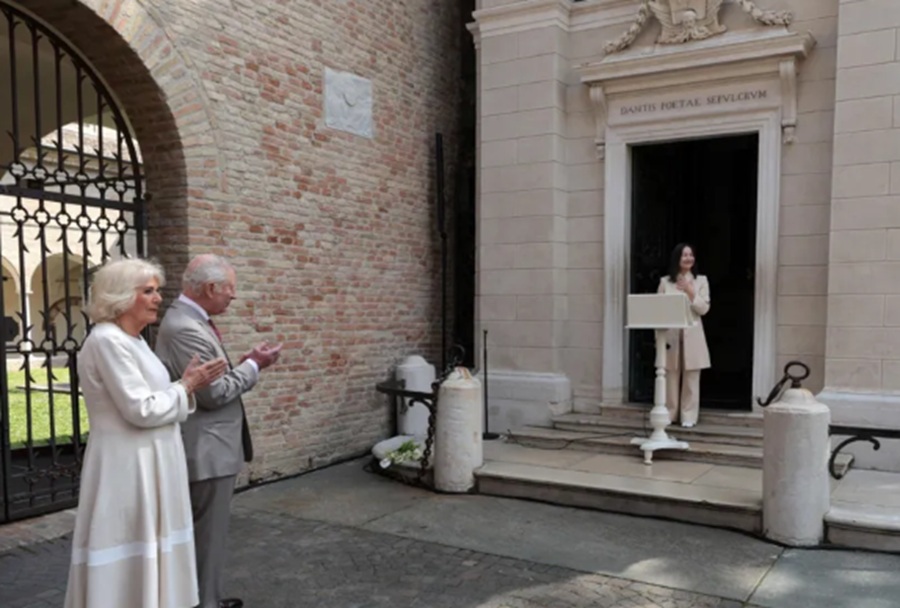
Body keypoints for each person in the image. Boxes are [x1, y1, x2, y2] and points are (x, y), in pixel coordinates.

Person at [64, 258, 228, 608]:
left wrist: (183, 383)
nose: (157, 299)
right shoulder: (107, 340)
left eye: (158, 291)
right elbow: (139, 409)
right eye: (148, 291)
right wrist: (186, 386)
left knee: (152, 543)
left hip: (152, 458)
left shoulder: (134, 341)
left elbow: (153, 396)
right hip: (127, 463)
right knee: (130, 544)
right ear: (122, 296)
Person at [155, 254, 282, 608]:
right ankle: (203, 603)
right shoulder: (185, 328)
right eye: (230, 289)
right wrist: (256, 365)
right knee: (206, 536)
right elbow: (214, 394)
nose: (233, 297)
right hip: (207, 449)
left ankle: (204, 597)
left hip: (210, 446)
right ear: (210, 288)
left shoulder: (191, 322)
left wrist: (242, 363)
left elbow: (213, 381)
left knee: (206, 534)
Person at [658, 243, 710, 428]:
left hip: (693, 335)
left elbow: (704, 308)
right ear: (677, 259)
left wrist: (690, 291)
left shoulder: (701, 281)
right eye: (684, 255)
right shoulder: (665, 282)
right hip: (671, 337)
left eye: (691, 255)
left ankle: (689, 416)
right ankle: (670, 414)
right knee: (670, 376)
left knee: (691, 377)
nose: (688, 258)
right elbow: (658, 311)